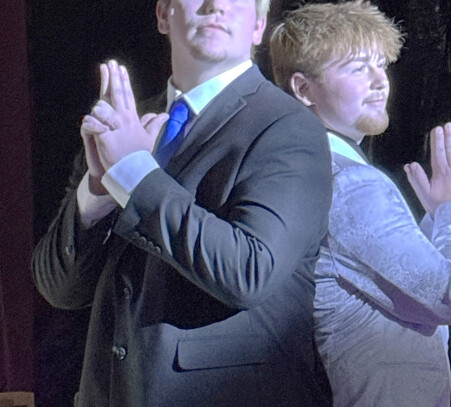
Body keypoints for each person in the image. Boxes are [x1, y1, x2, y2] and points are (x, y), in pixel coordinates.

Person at [32, 0, 333, 406]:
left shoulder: (288, 127)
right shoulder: (128, 123)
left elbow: (250, 270)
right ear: (162, 15)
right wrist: (100, 186)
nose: (214, 6)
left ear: (258, 26)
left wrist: (135, 174)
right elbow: (57, 287)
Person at [270, 2, 451, 406]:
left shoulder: (314, 169)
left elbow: (396, 301)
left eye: (380, 64)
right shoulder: (351, 184)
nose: (379, 81)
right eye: (356, 68)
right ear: (303, 89)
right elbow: (449, 297)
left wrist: (434, 222)